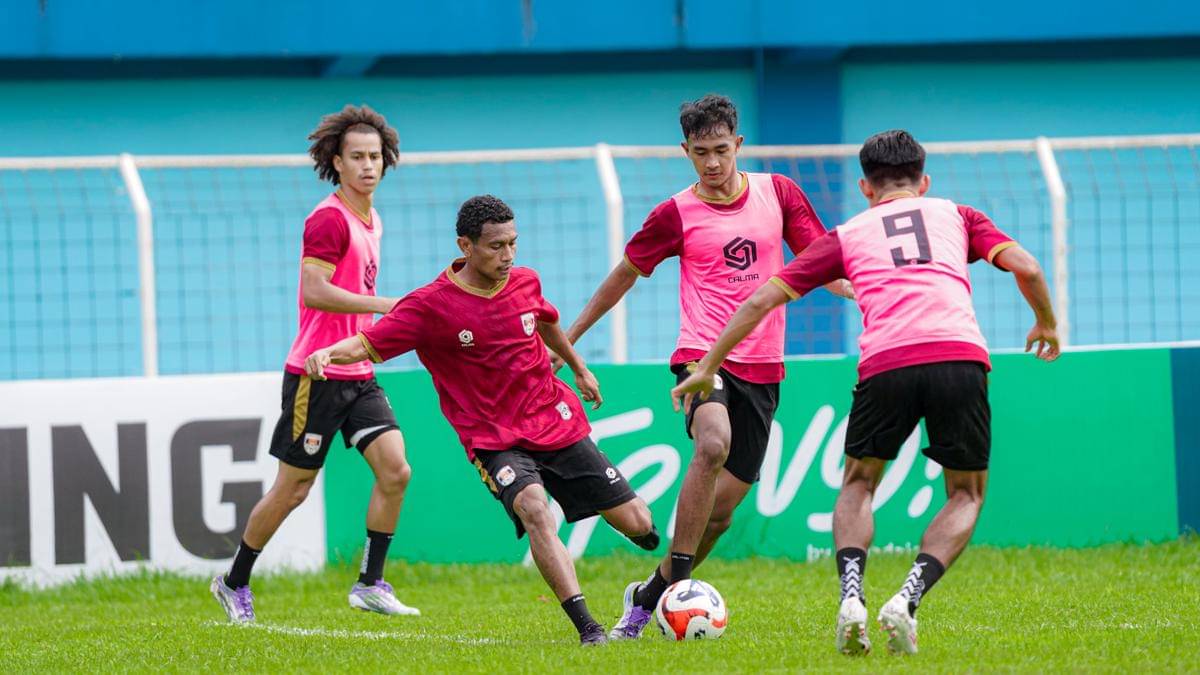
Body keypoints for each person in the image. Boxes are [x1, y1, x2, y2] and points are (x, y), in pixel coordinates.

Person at [673, 129, 1060, 656]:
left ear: (864, 187)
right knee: (966, 493)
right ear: (924, 182)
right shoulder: (958, 215)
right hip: (959, 358)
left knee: (858, 485)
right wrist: (1046, 323)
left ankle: (852, 595)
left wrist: (708, 365)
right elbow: (1030, 268)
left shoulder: (849, 233)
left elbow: (762, 300)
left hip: (886, 364)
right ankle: (908, 597)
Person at [304, 195, 660, 646]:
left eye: (513, 244)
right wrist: (328, 352)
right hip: (493, 439)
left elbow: (546, 321)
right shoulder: (430, 306)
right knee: (534, 508)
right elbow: (367, 343)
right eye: (496, 247)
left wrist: (578, 366)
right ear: (465, 246)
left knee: (639, 524)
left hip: (554, 419)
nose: (508, 256)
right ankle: (589, 628)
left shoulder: (525, 282)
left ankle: (642, 592)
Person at [558, 93, 852, 639]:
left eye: (721, 150)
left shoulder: (779, 193)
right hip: (701, 355)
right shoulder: (675, 213)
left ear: (739, 144)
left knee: (720, 515)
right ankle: (681, 590)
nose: (712, 163)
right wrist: (570, 340)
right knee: (711, 443)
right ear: (685, 151)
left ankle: (649, 594)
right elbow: (623, 274)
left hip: (764, 366)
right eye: (700, 153)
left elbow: (822, 263)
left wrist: (867, 291)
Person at [211, 105, 418, 623]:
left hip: (358, 369)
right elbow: (315, 291)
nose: (369, 165)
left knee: (396, 470)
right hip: (316, 373)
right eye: (357, 157)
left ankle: (370, 582)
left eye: (376, 156)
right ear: (336, 161)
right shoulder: (328, 218)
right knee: (294, 489)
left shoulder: (373, 218)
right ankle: (234, 582)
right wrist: (385, 306)